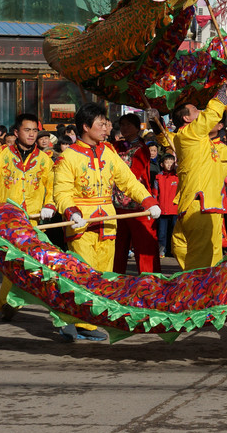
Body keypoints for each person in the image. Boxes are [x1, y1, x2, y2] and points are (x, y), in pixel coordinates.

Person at [53, 103, 160, 342]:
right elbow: (61, 192)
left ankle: (83, 319)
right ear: (85, 127)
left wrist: (147, 200)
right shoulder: (68, 157)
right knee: (83, 275)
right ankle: (80, 323)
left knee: (102, 275)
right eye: (101, 124)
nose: (107, 128)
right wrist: (71, 213)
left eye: (106, 123)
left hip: (108, 221)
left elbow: (128, 181)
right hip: (81, 224)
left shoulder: (109, 152)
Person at [169, 69, 227, 270]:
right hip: (199, 207)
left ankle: (203, 293)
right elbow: (214, 110)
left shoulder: (202, 142)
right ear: (187, 120)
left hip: (207, 207)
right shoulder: (189, 134)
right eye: (196, 111)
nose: (202, 114)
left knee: (209, 259)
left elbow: (225, 154)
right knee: (200, 264)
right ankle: (195, 296)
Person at [0, 113, 56, 318]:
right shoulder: (3, 156)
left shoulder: (44, 160)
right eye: (27, 130)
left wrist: (50, 204)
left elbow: (52, 187)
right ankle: (8, 303)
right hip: (7, 220)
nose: (31, 134)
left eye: (34, 130)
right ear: (16, 132)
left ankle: (12, 302)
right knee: (12, 263)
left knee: (31, 263)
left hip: (32, 221)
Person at [110, 113, 159, 275]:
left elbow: (134, 173)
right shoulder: (115, 146)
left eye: (128, 125)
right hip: (117, 204)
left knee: (144, 246)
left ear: (138, 128)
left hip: (138, 204)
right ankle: (114, 279)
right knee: (117, 247)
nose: (124, 128)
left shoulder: (142, 148)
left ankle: (150, 280)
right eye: (122, 125)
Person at [153, 153, 179, 264]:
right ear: (162, 164)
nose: (169, 165)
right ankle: (162, 250)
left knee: (174, 232)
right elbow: (155, 193)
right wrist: (154, 205)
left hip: (175, 209)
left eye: (171, 162)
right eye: (167, 162)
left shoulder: (178, 177)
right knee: (162, 232)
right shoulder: (158, 177)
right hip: (162, 210)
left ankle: (174, 251)